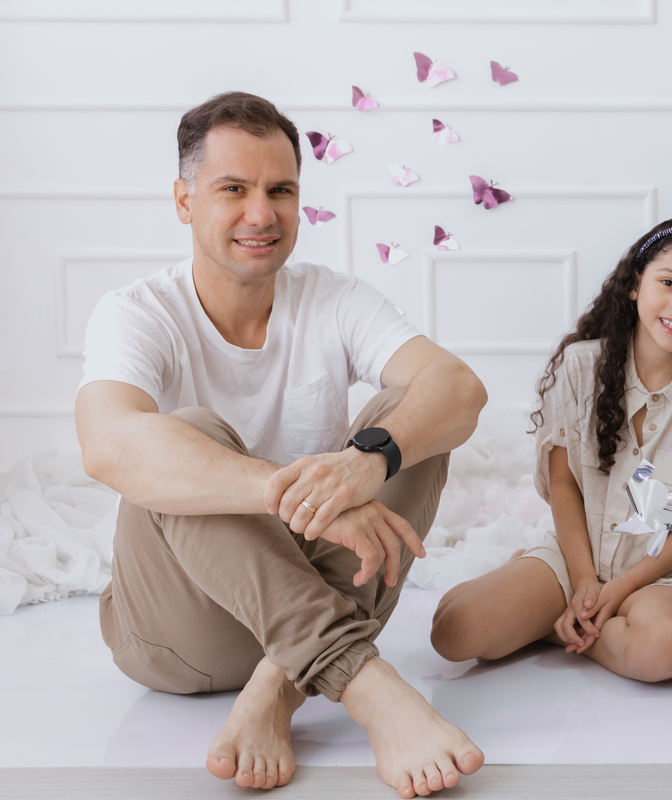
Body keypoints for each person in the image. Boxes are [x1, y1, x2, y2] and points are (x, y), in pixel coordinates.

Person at [75, 92, 488, 797]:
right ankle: (369, 687)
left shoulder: (333, 298)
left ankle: (277, 688)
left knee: (408, 419)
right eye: (233, 189)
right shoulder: (136, 313)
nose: (261, 214)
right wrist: (299, 496)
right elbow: (108, 445)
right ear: (184, 200)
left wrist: (367, 463)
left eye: (280, 191)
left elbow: (459, 388)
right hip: (180, 636)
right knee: (185, 436)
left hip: (300, 612)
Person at [429, 218, 672, 681]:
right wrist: (584, 582)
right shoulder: (581, 366)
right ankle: (563, 611)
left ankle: (558, 628)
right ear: (635, 285)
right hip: (576, 559)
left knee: (668, 650)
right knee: (453, 632)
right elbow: (563, 482)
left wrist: (621, 588)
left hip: (660, 576)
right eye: (668, 282)